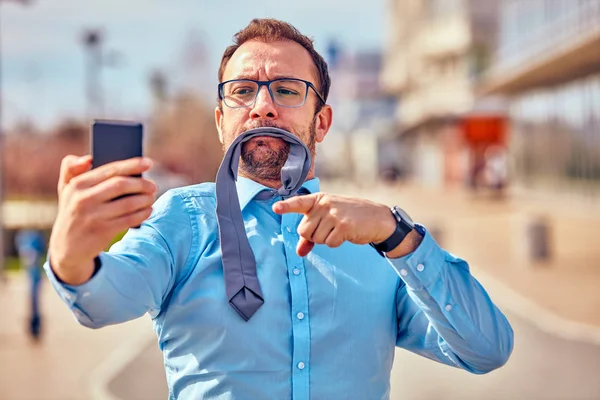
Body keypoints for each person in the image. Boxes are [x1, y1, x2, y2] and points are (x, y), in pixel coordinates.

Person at [44, 19, 513, 399]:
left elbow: (486, 350)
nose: (262, 106)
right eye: (243, 90)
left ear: (322, 120)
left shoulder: (378, 241)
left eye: (287, 90)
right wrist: (70, 256)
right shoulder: (181, 221)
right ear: (221, 120)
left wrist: (397, 235)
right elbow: (102, 302)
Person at [15, 228, 46, 340]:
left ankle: (34, 326)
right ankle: (34, 326)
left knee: (33, 300)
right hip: (32, 277)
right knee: (33, 300)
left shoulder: (27, 238)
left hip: (34, 277)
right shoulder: (28, 238)